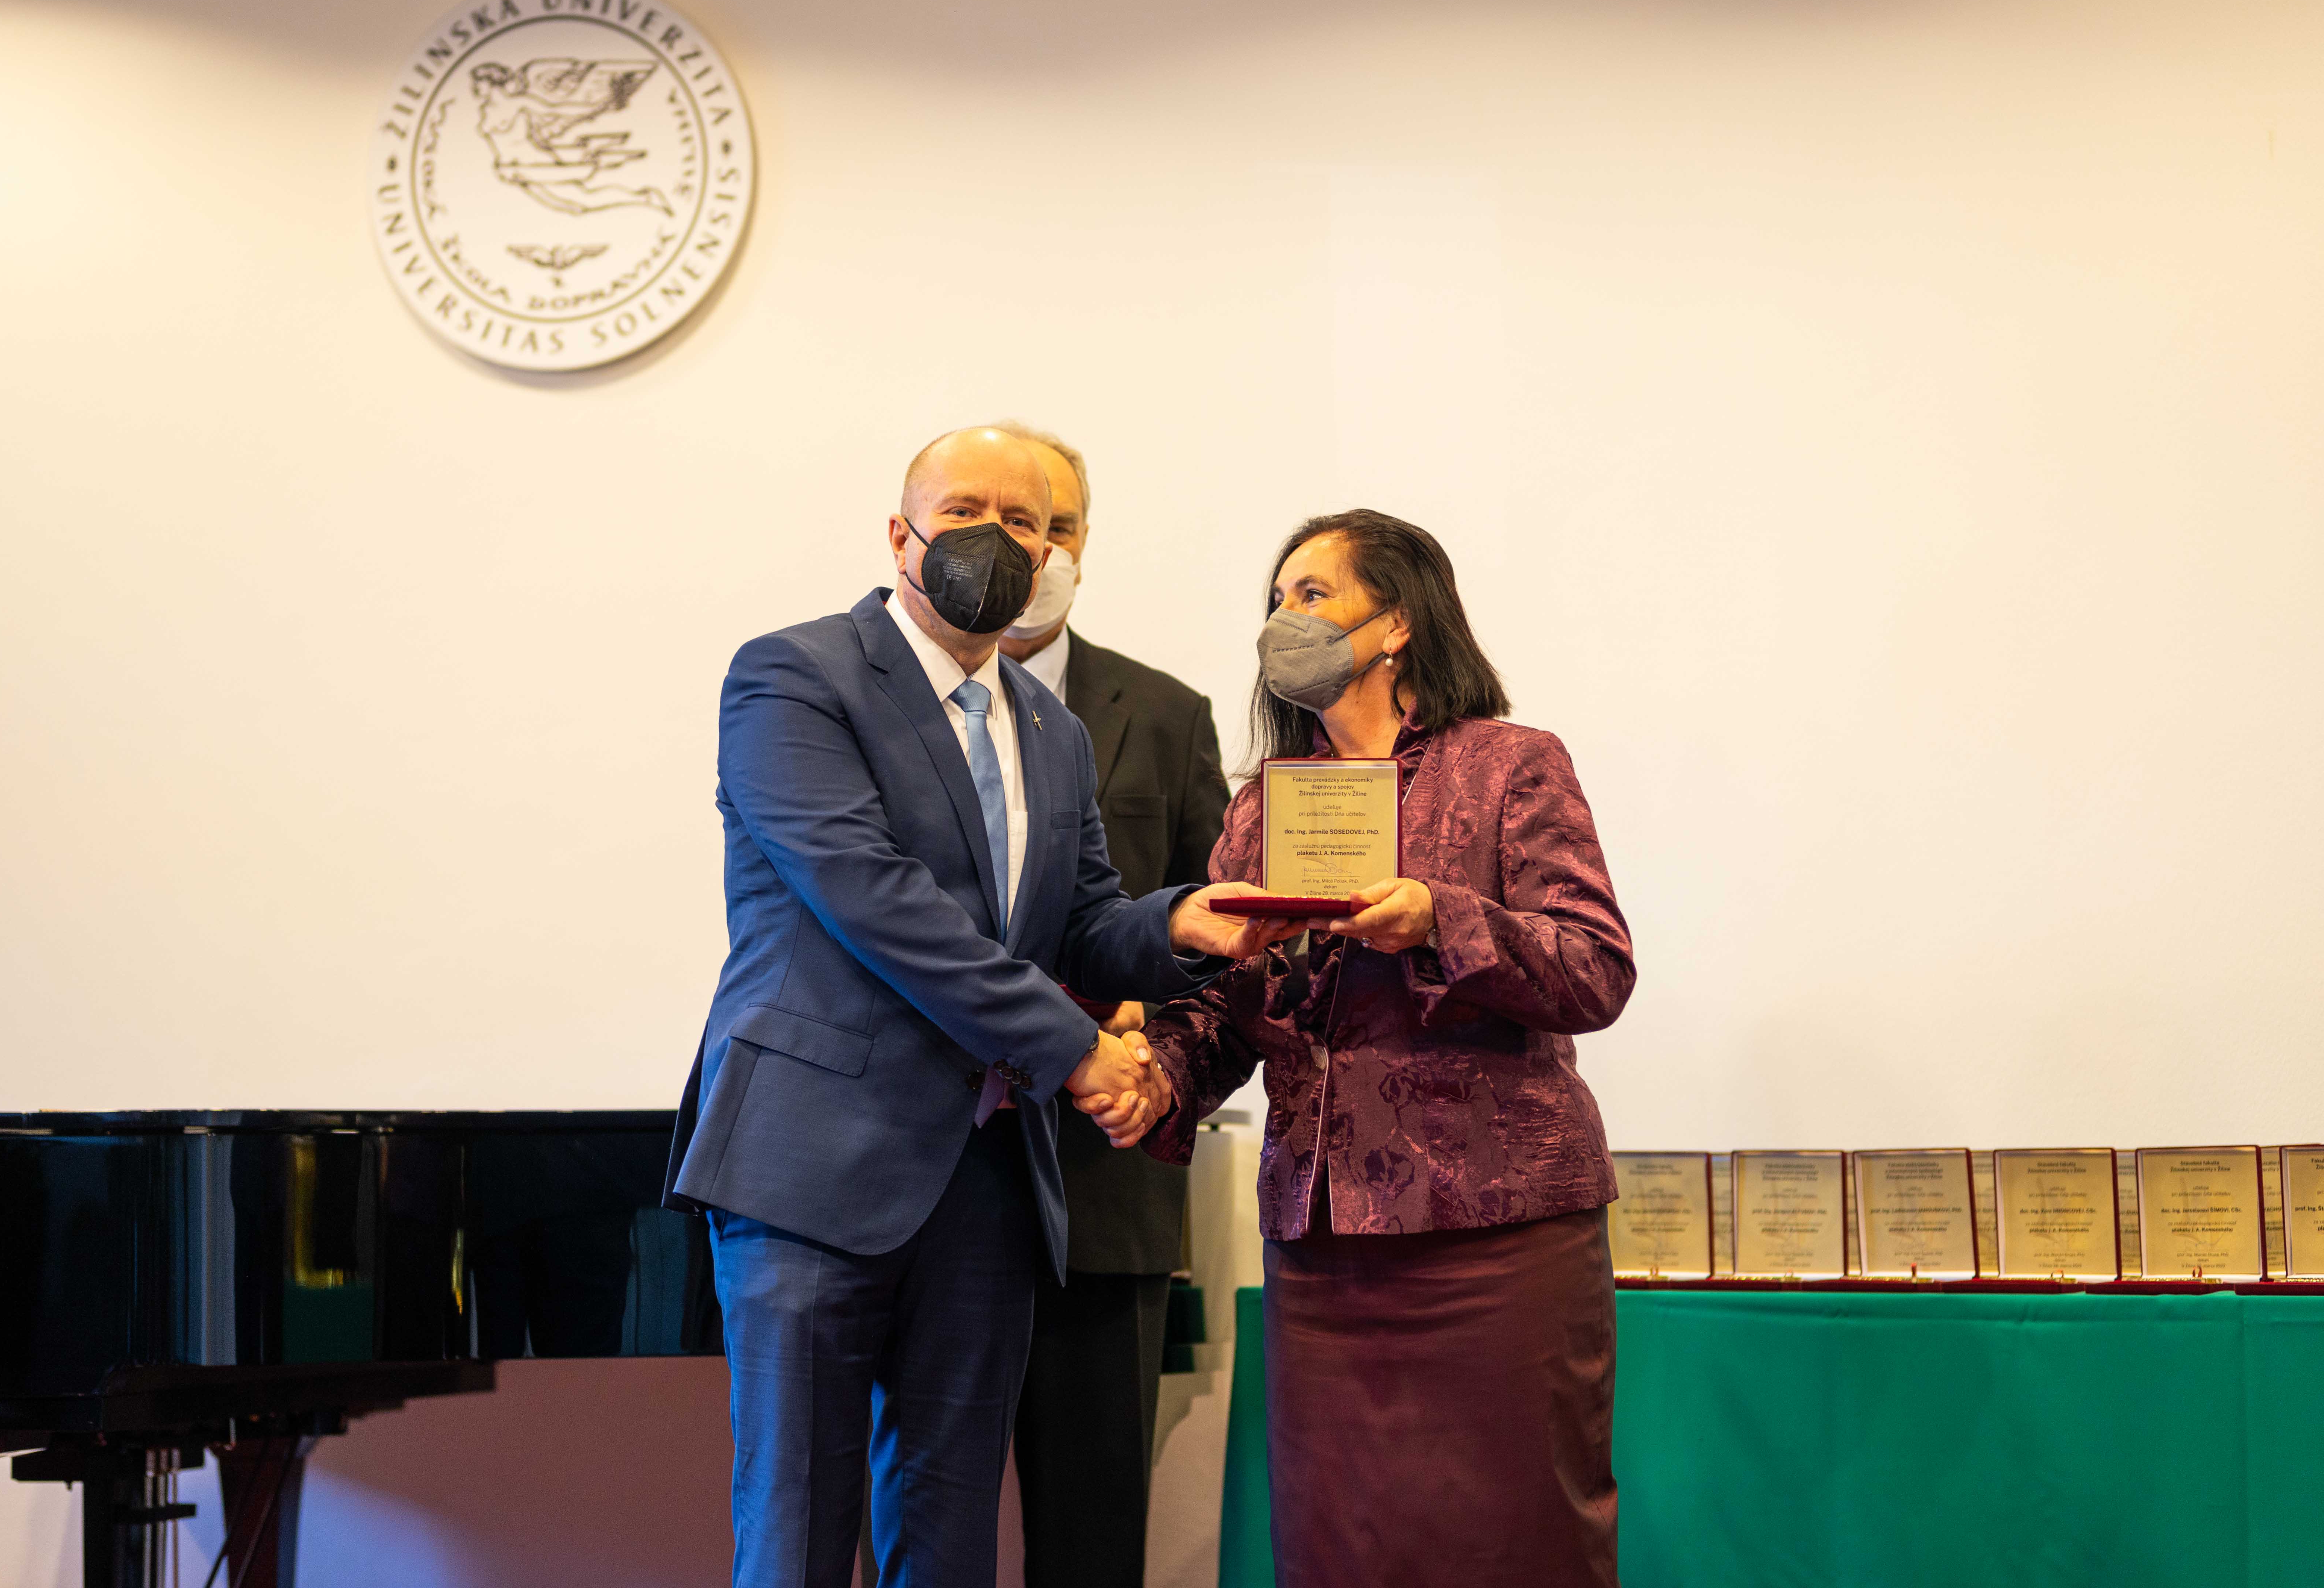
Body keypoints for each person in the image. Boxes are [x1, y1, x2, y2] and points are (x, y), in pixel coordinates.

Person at [663, 427, 1296, 1588]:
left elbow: (1084, 919)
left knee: (950, 1535)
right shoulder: (794, 675)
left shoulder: (1052, 731)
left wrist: (1183, 924)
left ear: (1058, 551)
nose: (996, 540)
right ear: (900, 533)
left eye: (1027, 523)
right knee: (798, 1531)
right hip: (813, 1170)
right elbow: (873, 899)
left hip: (989, 1183)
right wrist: (1078, 1052)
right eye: (966, 511)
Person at [1134, 509, 1636, 1587]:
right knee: (1339, 1547)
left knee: (1515, 1540)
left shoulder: (1511, 766)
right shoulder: (1263, 805)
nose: (1286, 618)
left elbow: (1595, 968)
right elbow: (1236, 1010)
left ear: (1398, 623)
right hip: (1322, 1251)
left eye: (1313, 595)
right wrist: (1155, 1074)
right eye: (1277, 600)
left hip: (1494, 1237)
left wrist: (1440, 920)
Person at [989, 422, 1231, 1588]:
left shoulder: (1169, 714)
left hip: (1106, 1170)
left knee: (1093, 1532)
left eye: (1058, 526)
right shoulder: (875, 708)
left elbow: (1217, 942)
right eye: (1000, 521)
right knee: (916, 1516)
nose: (1032, 550)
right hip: (929, 1178)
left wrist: (1154, 1034)